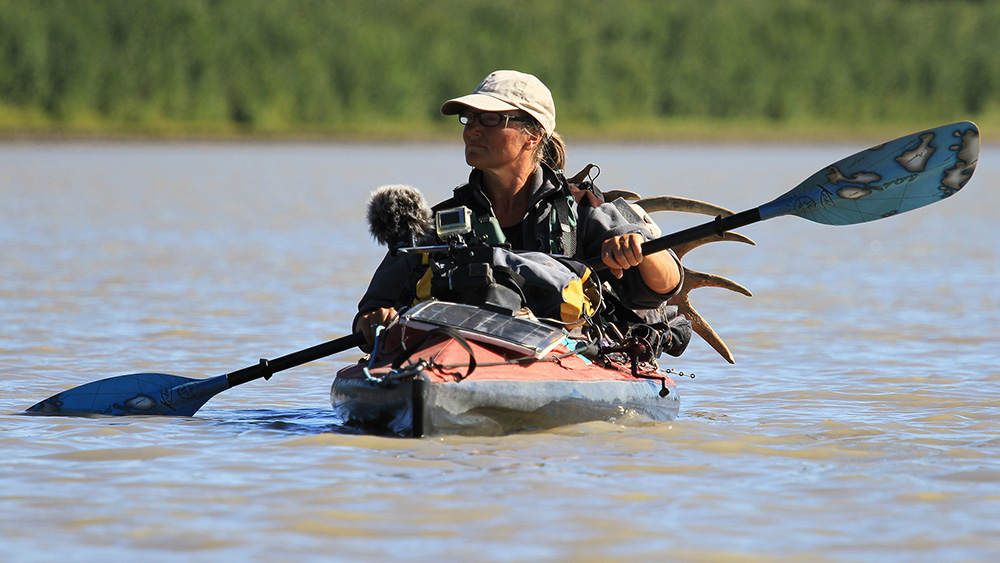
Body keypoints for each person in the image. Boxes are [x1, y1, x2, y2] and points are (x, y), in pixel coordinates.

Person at [355, 70, 683, 350]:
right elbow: (371, 310)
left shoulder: (583, 207)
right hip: (456, 353)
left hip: (560, 356)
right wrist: (374, 321)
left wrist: (637, 246)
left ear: (533, 135)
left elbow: (664, 287)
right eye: (468, 118)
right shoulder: (439, 222)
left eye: (491, 119)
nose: (472, 129)